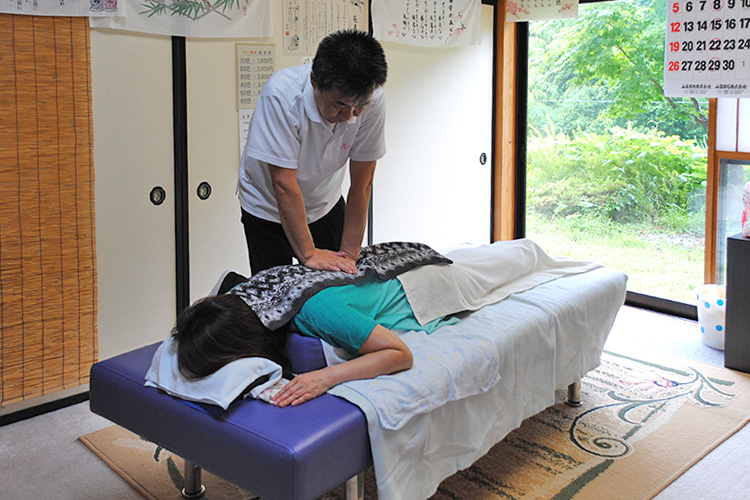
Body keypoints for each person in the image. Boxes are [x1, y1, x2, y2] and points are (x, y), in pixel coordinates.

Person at [172, 271, 458, 408]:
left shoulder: (315, 310)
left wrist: (325, 378)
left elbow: (400, 354)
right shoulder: (238, 296)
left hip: (428, 281)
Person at [238, 29, 388, 276]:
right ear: (315, 81)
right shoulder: (281, 95)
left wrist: (349, 257)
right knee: (277, 296)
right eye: (339, 105)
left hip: (324, 202)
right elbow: (283, 184)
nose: (349, 116)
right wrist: (308, 254)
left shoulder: (372, 100)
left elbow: (362, 183)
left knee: (336, 283)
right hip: (267, 205)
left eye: (358, 107)